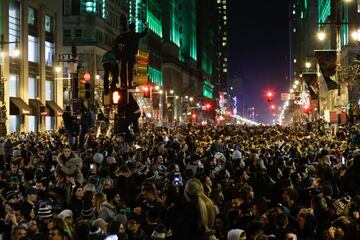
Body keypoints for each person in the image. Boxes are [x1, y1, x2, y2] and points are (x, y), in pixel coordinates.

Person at [119, 22, 148, 88]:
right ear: (134, 28)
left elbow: (120, 40)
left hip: (125, 53)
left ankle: (123, 83)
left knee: (124, 69)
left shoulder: (126, 35)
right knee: (130, 69)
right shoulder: (136, 35)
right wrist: (146, 27)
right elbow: (143, 33)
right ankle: (129, 83)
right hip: (131, 54)